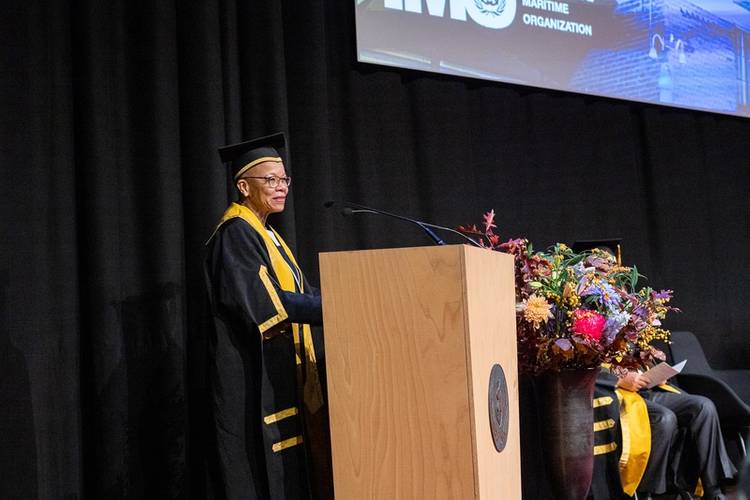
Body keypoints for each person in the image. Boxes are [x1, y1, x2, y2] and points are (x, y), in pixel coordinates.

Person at [204, 132, 332, 499]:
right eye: (271, 180)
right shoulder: (235, 234)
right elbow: (270, 303)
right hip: (251, 377)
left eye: (284, 179)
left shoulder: (269, 235)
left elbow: (303, 294)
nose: (282, 187)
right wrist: (338, 307)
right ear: (243, 186)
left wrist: (348, 299)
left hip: (281, 374)